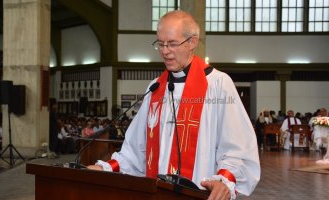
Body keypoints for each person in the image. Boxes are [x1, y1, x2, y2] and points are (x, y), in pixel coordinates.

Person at [88, 10, 260, 199]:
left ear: (192, 42)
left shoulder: (217, 84)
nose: (164, 51)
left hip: (198, 193)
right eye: (160, 44)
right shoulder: (155, 88)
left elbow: (238, 147)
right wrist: (103, 168)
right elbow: (136, 151)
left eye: (171, 43)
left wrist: (224, 180)